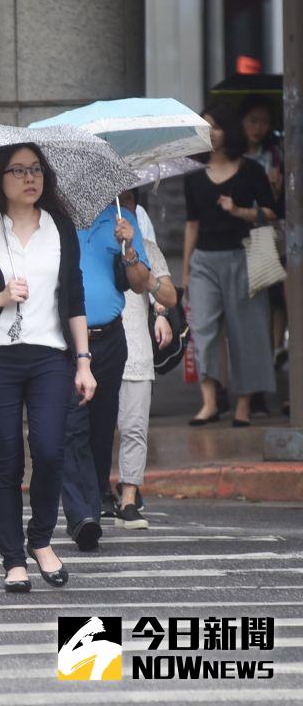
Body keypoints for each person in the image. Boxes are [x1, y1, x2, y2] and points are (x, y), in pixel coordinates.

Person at [0, 143, 95, 593]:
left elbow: (74, 300)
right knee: (8, 461)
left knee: (50, 450)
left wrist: (84, 361)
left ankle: (41, 540)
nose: (30, 178)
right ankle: (13, 558)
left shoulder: (61, 228)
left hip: (50, 355)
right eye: (18, 170)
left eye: (36, 169)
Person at [59, 200, 150, 550]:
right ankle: (81, 509)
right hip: (67, 338)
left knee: (101, 424)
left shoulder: (121, 218)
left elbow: (140, 284)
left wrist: (128, 249)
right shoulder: (57, 218)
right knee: (73, 425)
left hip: (111, 337)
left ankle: (95, 498)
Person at [183, 101, 278, 428]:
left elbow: (271, 212)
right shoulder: (193, 175)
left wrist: (239, 211)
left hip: (243, 255)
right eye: (205, 127)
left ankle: (243, 405)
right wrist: (185, 270)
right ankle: (209, 402)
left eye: (217, 126)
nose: (211, 133)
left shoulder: (251, 170)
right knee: (203, 331)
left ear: (229, 131)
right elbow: (191, 224)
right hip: (204, 261)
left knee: (246, 331)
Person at [114, 188, 178, 530]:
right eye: (116, 205)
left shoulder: (149, 249)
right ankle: (94, 495)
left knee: (135, 425)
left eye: (128, 204)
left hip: (136, 345)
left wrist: (159, 309)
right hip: (98, 348)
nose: (122, 212)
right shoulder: (94, 247)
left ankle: (128, 497)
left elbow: (167, 294)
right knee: (92, 431)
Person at [240, 94, 288, 413]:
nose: (258, 127)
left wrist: (278, 187)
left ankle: (276, 354)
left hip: (270, 236)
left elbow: (278, 206)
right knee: (251, 309)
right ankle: (253, 386)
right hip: (243, 239)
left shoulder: (277, 154)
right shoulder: (236, 156)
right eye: (253, 120)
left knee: (276, 301)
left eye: (265, 122)